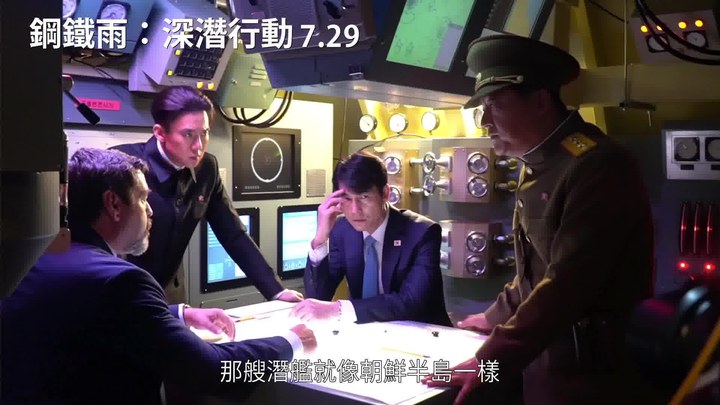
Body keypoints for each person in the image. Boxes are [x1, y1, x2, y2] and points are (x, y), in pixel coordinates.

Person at [423, 35, 657, 405]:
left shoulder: (597, 166)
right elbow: (534, 270)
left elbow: (568, 282)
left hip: (592, 378)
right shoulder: (538, 163)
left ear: (540, 101)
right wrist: (493, 316)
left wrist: (489, 359)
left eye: (496, 106)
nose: (485, 123)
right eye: (482, 110)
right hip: (549, 367)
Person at [1, 148, 317, 404]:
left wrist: (180, 314)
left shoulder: (36, 258)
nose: (151, 211)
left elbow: (92, 318)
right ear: (113, 204)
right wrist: (291, 341)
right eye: (142, 199)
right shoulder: (123, 282)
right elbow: (211, 371)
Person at [112, 86, 302, 304]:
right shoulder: (123, 167)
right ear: (160, 133)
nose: (199, 146)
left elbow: (233, 233)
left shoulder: (207, 169)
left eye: (204, 133)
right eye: (188, 135)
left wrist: (276, 291)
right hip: (120, 286)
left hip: (170, 290)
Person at [291, 152, 451, 326]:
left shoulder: (422, 233)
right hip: (368, 333)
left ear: (385, 193)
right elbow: (318, 296)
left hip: (421, 333)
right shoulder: (342, 229)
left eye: (364, 197)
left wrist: (338, 309)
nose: (355, 210)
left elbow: (411, 303)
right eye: (347, 199)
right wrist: (320, 238)